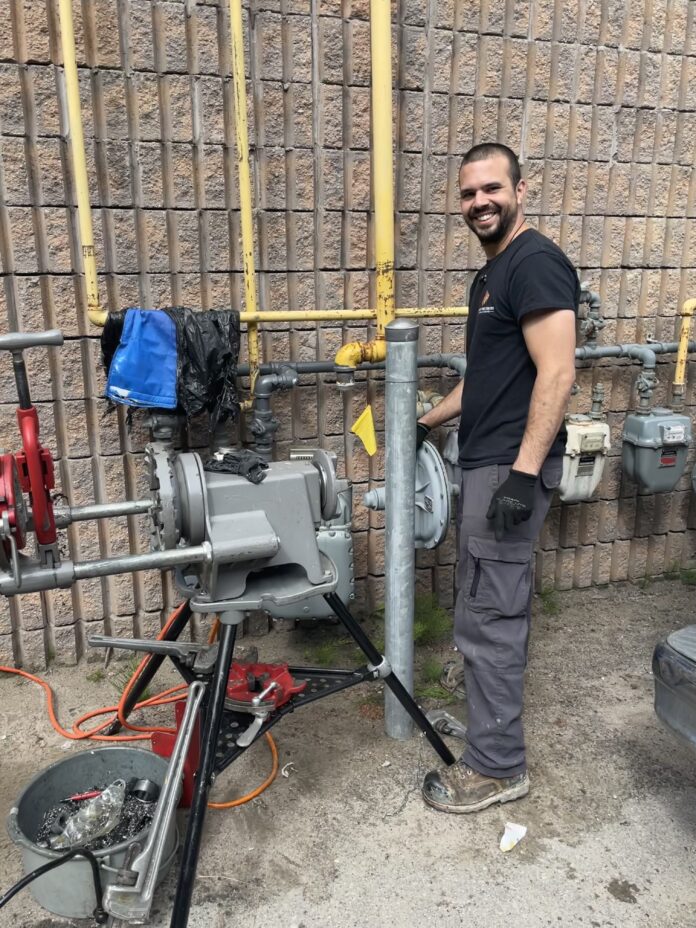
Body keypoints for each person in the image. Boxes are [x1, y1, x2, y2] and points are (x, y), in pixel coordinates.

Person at [417, 143, 578, 814]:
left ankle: (498, 766)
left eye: (491, 188)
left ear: (519, 189)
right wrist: (424, 421)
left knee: (494, 615)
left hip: (509, 469)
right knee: (483, 600)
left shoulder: (533, 263)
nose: (478, 202)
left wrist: (522, 473)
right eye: (467, 193)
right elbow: (483, 381)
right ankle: (487, 722)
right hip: (484, 464)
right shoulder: (490, 277)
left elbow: (558, 371)